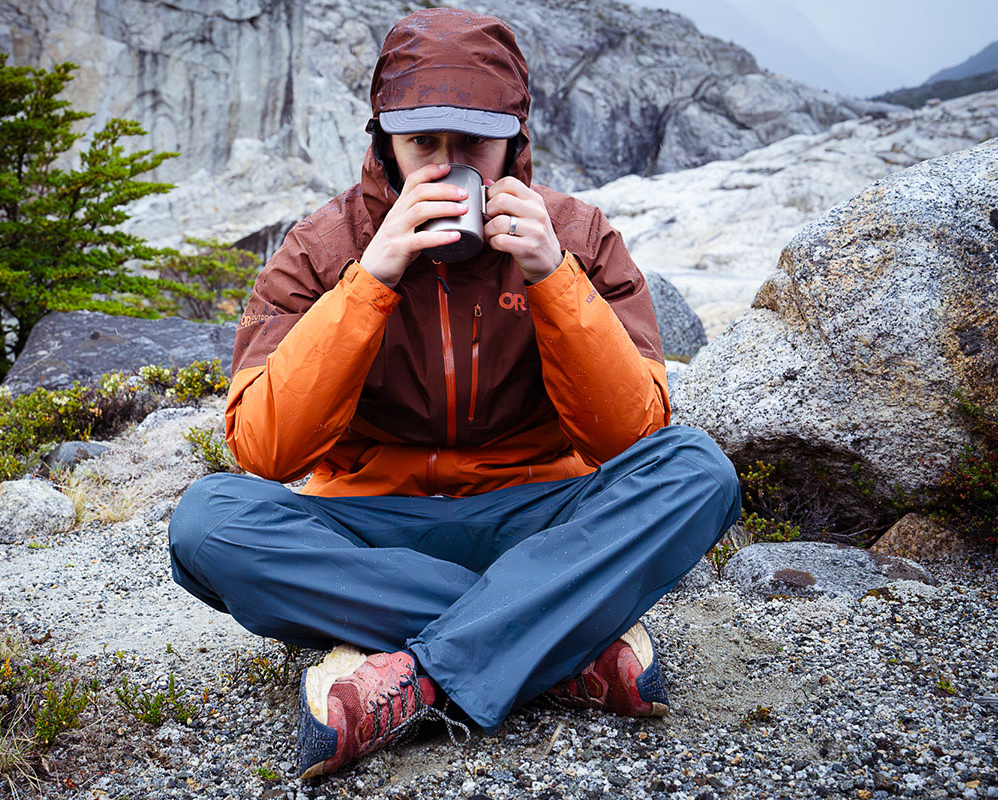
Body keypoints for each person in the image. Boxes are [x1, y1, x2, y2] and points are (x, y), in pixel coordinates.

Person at [168, 7, 741, 779]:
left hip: (536, 516)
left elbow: (632, 441)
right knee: (208, 526)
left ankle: (414, 671)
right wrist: (368, 280)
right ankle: (560, 637)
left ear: (514, 136)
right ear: (384, 140)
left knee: (697, 470)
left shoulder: (577, 235)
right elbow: (265, 450)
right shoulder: (322, 247)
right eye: (420, 143)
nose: (444, 165)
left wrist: (551, 278)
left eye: (471, 142)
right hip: (368, 526)